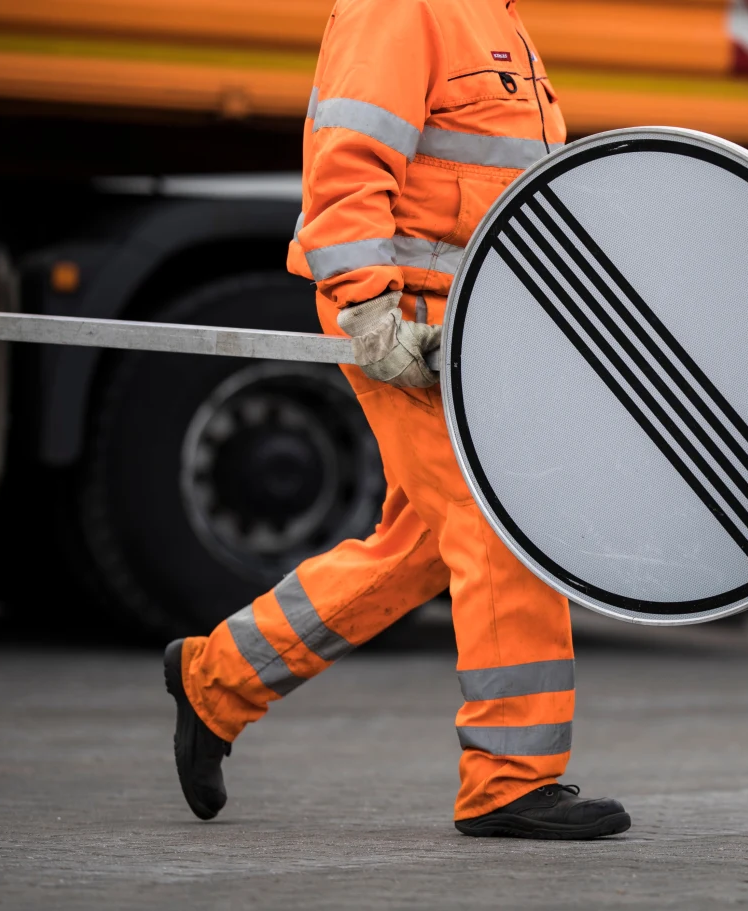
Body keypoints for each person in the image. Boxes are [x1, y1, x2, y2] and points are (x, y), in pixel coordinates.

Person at [162, 0, 631, 840]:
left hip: (482, 332)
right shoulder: (402, 7)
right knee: (503, 523)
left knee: (418, 548)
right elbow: (345, 163)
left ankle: (216, 679)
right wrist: (368, 310)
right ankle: (508, 779)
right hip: (416, 330)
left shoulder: (498, 21)